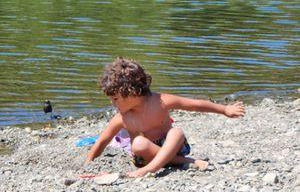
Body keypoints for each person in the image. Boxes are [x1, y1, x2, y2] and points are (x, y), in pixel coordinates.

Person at [86, 57, 245, 178]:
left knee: (176, 132)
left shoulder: (160, 101)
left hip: (173, 147)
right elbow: (102, 141)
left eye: (115, 99)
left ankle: (152, 169)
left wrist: (225, 109)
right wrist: (88, 165)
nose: (112, 103)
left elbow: (194, 104)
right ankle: (185, 162)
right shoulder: (122, 117)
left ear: (133, 93)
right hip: (144, 157)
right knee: (139, 143)